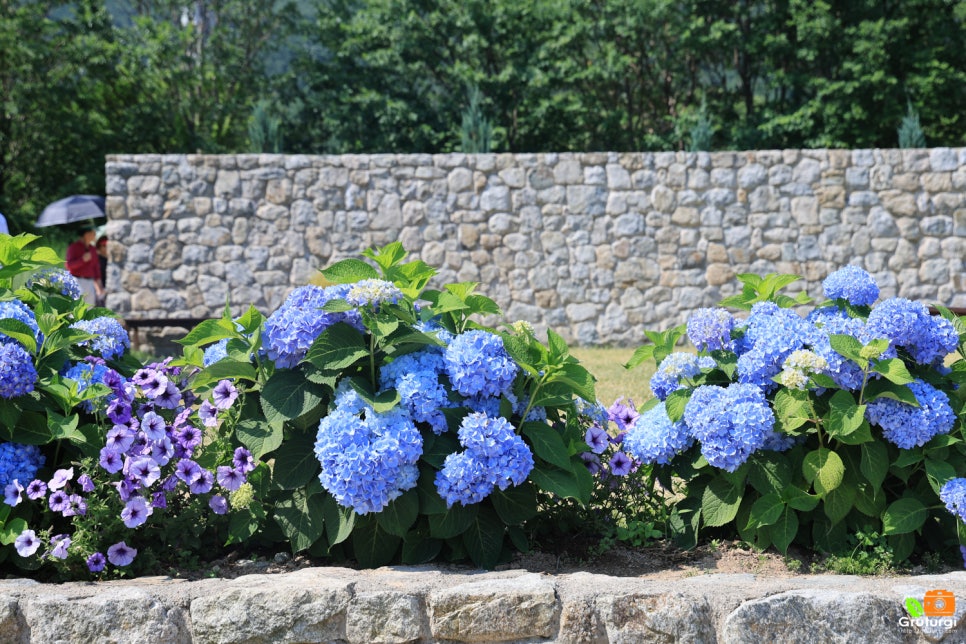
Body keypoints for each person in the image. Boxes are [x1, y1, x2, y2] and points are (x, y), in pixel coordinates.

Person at [65, 225, 103, 305]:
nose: (95, 235)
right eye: (93, 233)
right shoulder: (73, 247)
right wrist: (82, 260)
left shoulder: (92, 249)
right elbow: (69, 265)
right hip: (77, 281)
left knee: (89, 309)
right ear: (86, 234)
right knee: (75, 309)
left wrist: (99, 286)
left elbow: (96, 268)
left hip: (90, 283)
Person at [95, 235, 108, 306]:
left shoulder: (110, 261)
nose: (106, 247)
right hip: (100, 291)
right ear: (99, 247)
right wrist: (99, 290)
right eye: (104, 245)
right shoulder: (97, 260)